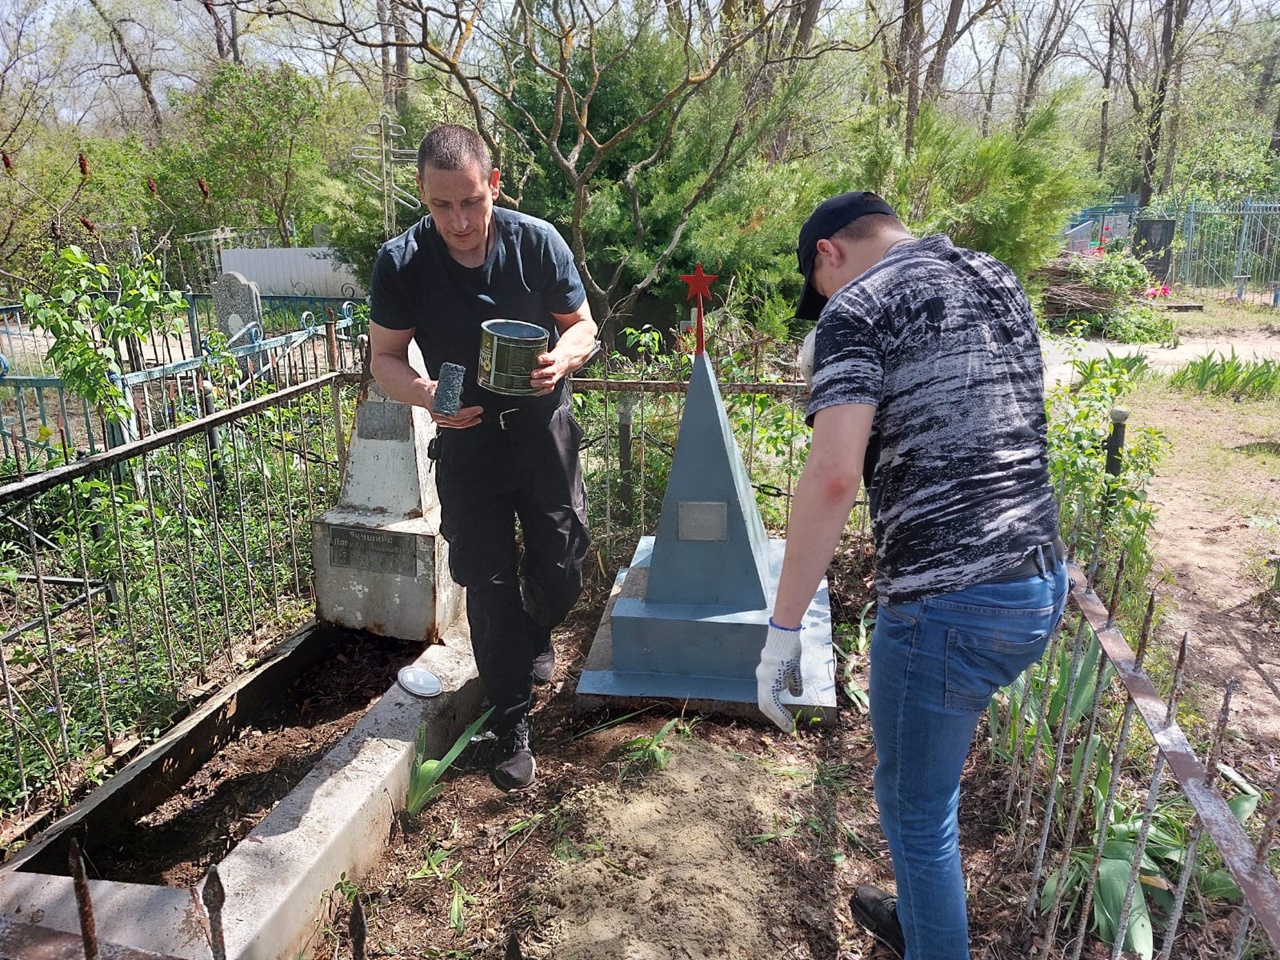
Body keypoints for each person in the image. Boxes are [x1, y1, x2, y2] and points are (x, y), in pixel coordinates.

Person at [756, 192, 1068, 959]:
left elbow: (833, 477)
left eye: (817, 289)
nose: (822, 305)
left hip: (949, 601)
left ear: (829, 252)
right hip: (1036, 579)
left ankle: (938, 944)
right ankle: (927, 924)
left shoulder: (857, 307)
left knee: (915, 811)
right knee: (927, 799)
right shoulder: (993, 273)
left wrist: (782, 631)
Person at [368, 124, 598, 792]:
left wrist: (565, 355)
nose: (459, 220)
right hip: (466, 436)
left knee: (561, 564)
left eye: (471, 201)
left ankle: (535, 632)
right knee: (488, 580)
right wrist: (426, 396)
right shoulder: (403, 261)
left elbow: (583, 325)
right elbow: (385, 359)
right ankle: (511, 722)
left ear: (493, 184)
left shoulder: (536, 243)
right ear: (424, 196)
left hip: (541, 427)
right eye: (442, 206)